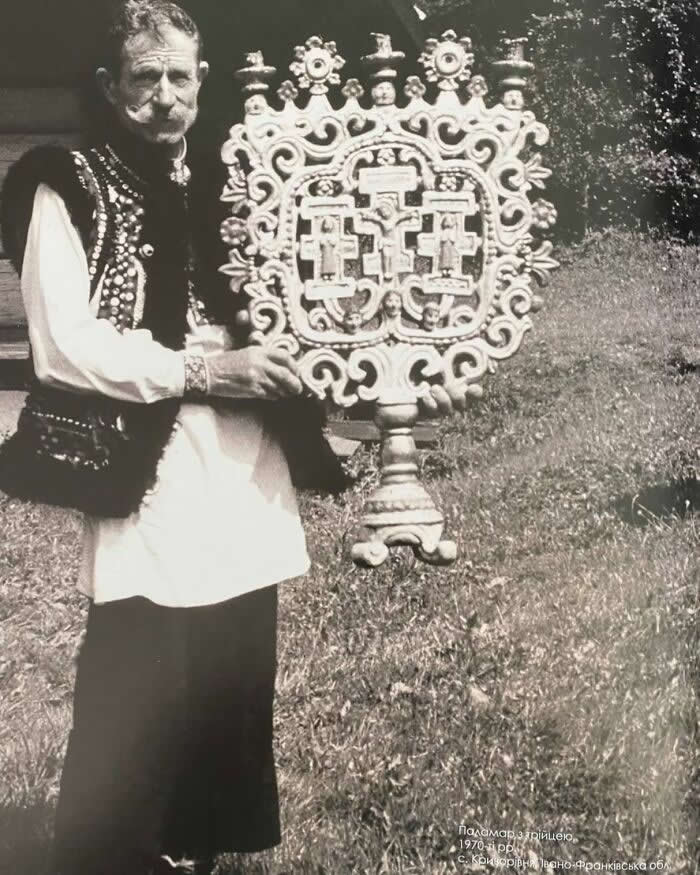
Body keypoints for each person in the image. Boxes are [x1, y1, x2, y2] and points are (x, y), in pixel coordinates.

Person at [0, 2, 457, 873]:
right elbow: (64, 345)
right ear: (110, 86)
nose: (165, 96)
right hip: (150, 462)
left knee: (233, 667)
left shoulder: (238, 176)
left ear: (204, 81)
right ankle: (108, 850)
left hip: (247, 459)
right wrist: (206, 371)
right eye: (144, 77)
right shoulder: (65, 180)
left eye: (180, 76)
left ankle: (198, 845)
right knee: (145, 662)